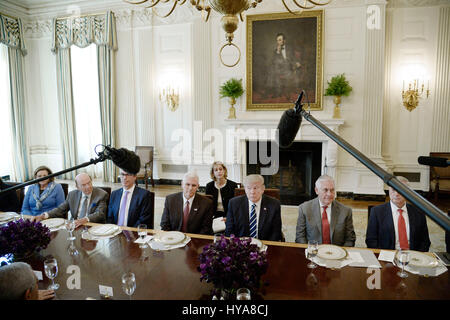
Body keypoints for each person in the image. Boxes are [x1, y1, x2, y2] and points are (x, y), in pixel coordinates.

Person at [366, 176, 431, 252]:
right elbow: (371, 240)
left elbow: (425, 242)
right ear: (389, 190)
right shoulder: (377, 212)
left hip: (413, 256)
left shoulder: (419, 212)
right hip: (386, 256)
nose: (396, 194)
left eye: (400, 190)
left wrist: (417, 256)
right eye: (393, 190)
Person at [295, 175, 356, 246]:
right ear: (316, 190)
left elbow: (350, 239)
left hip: (337, 253)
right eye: (325, 190)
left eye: (332, 190)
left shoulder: (346, 211)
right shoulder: (304, 209)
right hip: (313, 252)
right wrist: (309, 252)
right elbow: (300, 237)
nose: (329, 194)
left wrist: (341, 253)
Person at [33, 173, 108, 228]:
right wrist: (43, 216)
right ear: (77, 187)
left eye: (89, 183)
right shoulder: (72, 195)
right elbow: (60, 209)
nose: (88, 187)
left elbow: (100, 214)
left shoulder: (101, 194)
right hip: (75, 227)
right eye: (83, 185)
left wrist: (84, 220)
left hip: (92, 226)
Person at [225, 174, 282, 241]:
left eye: (255, 188)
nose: (252, 192)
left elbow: (276, 232)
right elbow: (229, 231)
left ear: (263, 189)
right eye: (249, 188)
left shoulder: (274, 205)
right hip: (240, 246)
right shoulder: (234, 204)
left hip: (265, 245)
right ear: (245, 189)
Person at [267, 33, 302, 100]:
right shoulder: (276, 51)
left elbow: (294, 57)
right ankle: (277, 92)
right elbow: (273, 61)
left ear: (284, 41)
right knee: (273, 71)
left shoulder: (290, 48)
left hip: (289, 68)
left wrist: (297, 62)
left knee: (275, 72)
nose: (278, 42)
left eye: (280, 40)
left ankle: (282, 92)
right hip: (280, 69)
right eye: (277, 40)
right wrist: (278, 52)